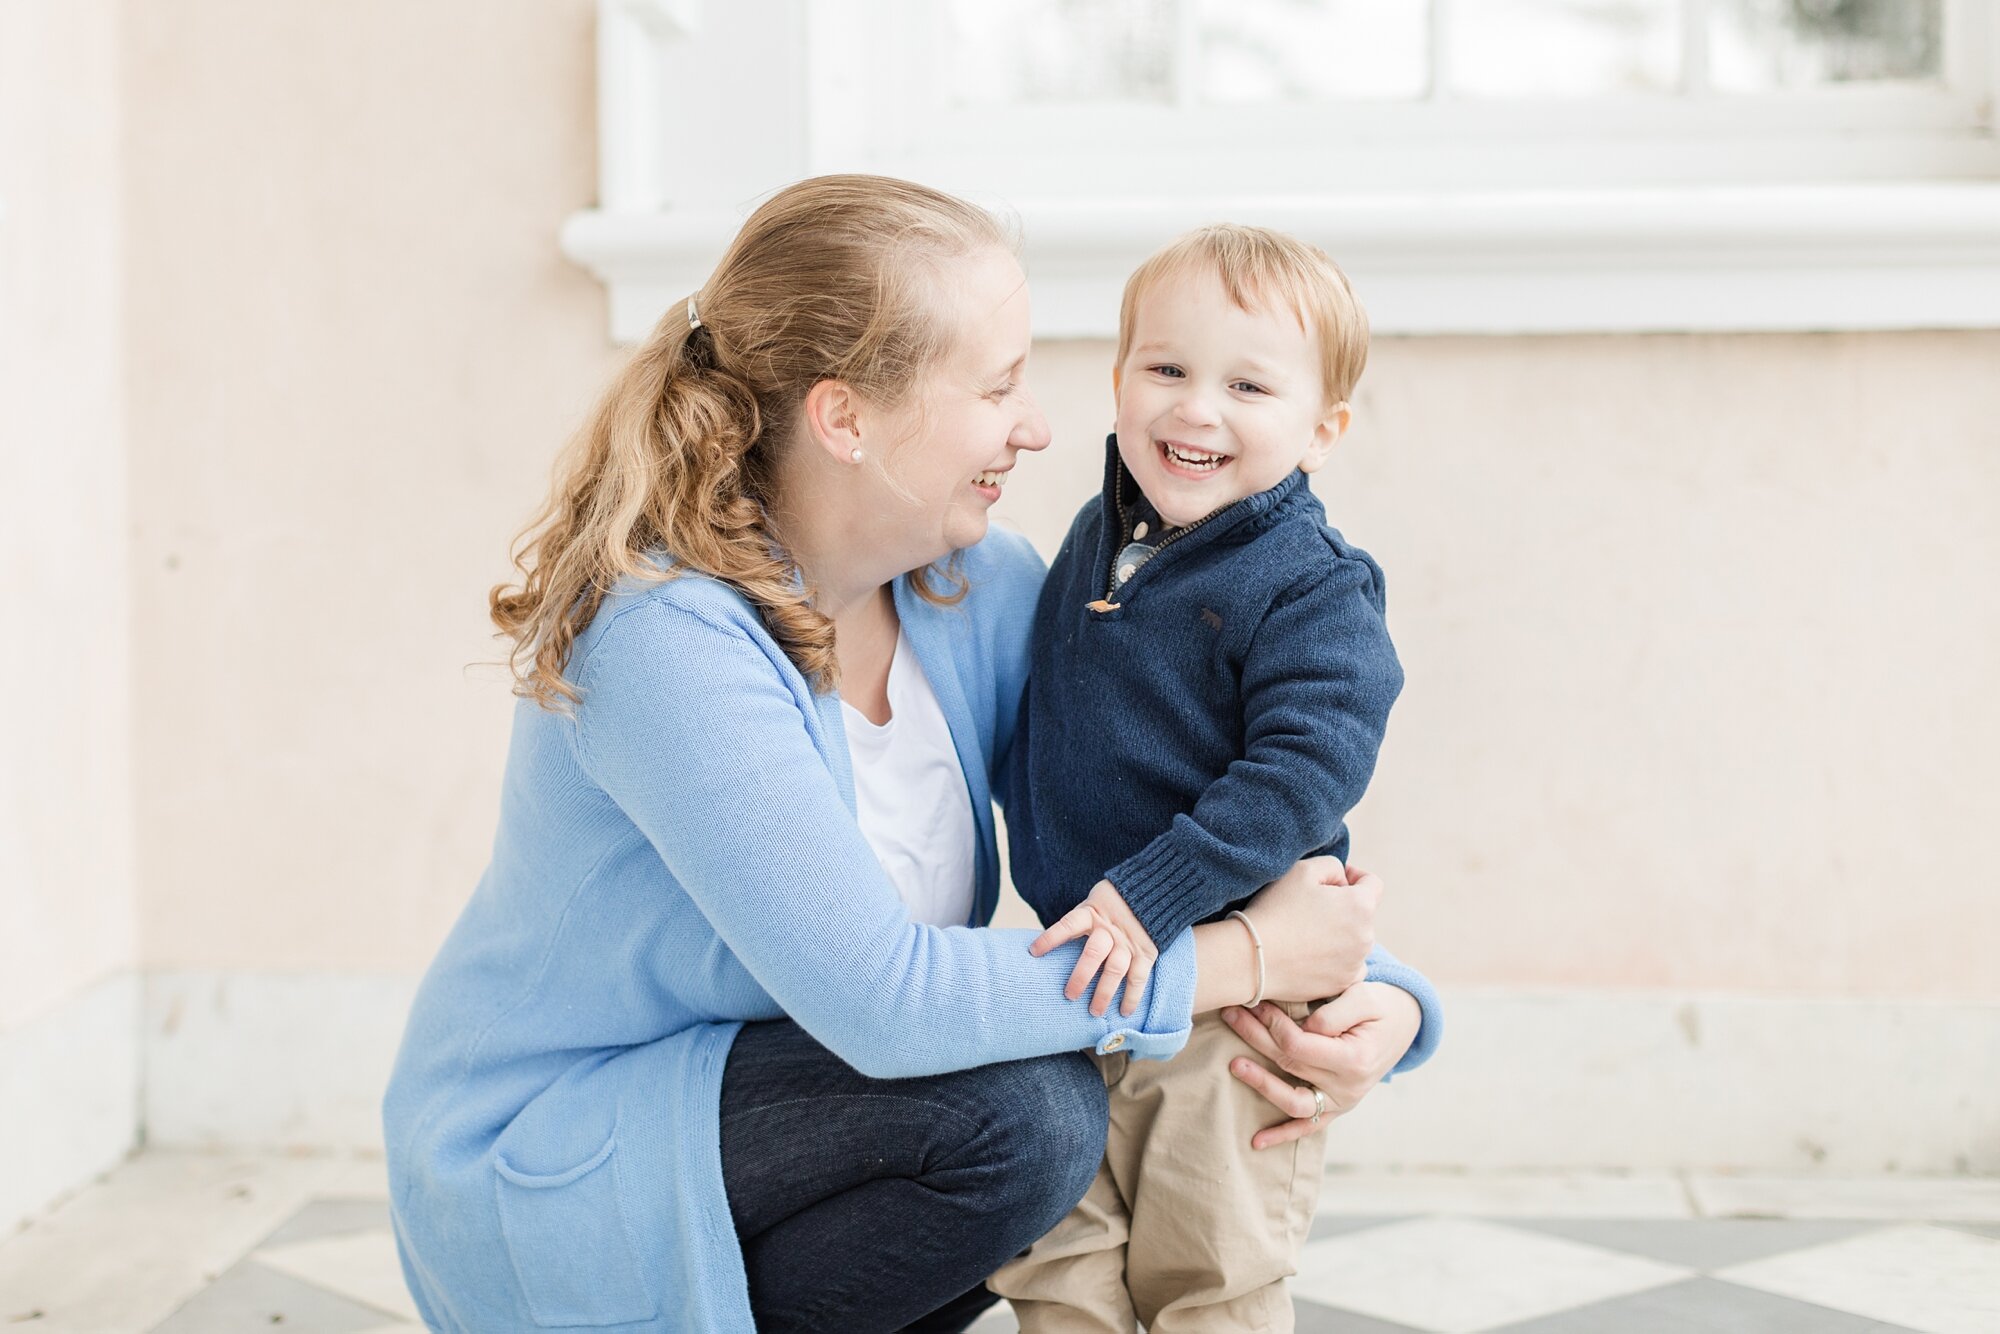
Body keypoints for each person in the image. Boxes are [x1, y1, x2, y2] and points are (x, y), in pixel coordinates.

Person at [380, 176, 1441, 1334]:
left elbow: (1159, 794)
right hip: (564, 1168)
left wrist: (1366, 993)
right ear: (845, 418)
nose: (1034, 425)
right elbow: (888, 1006)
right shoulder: (664, 642)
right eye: (995, 386)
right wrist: (1247, 960)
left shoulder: (969, 587)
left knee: (1039, 1082)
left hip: (776, 1113)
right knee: (1027, 1114)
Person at [990, 224, 1410, 1332]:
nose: (1194, 408)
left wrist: (1153, 892)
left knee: (1206, 1270)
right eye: (1165, 368)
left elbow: (1302, 773)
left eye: (1246, 384)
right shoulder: (1096, 537)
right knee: (1056, 1260)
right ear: (1119, 376)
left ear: (1321, 431)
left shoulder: (1311, 586)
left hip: (1231, 1003)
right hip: (1078, 990)